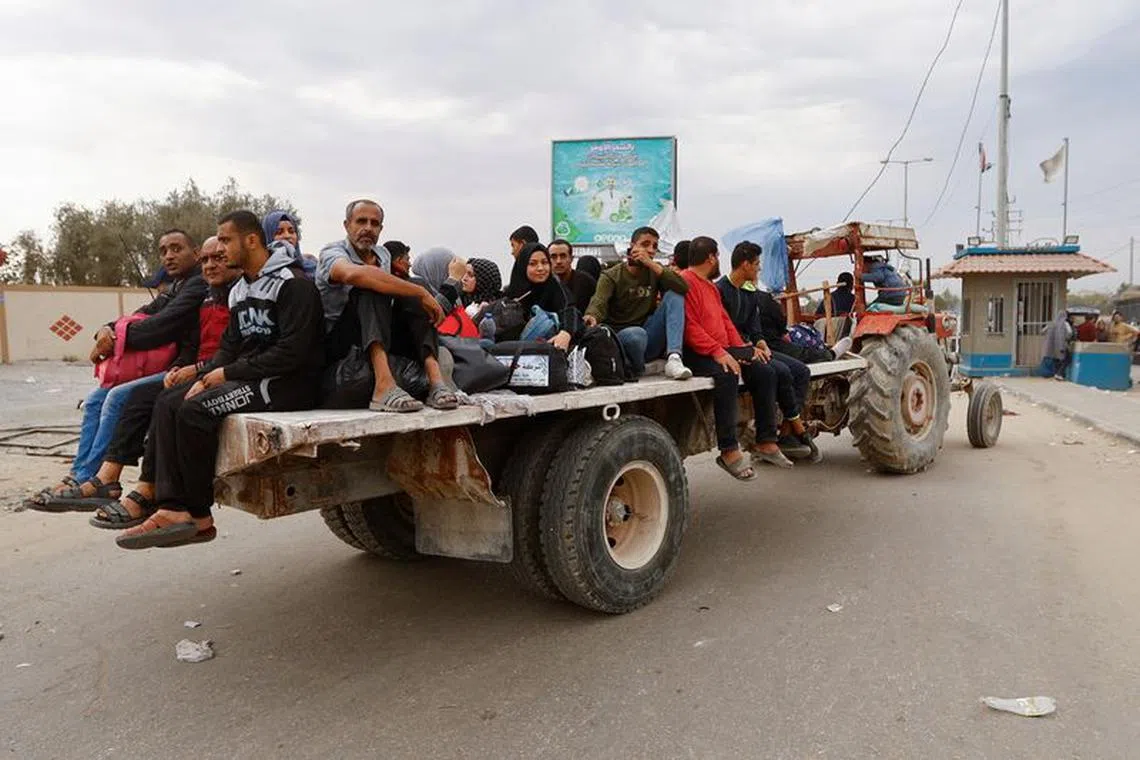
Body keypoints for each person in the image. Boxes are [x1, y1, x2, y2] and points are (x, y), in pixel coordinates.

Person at [115, 210, 325, 549]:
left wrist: (226, 374)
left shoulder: (293, 283)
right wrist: (203, 375)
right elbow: (230, 346)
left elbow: (292, 353)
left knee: (194, 411)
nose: (220, 249)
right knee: (168, 401)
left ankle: (198, 515)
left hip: (288, 384)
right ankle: (170, 504)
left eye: (226, 240)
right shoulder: (240, 289)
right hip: (252, 375)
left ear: (251, 240)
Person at [25, 229, 207, 511]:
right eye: (163, 251)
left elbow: (159, 327)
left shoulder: (197, 285)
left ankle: (101, 480)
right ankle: (80, 474)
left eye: (176, 248)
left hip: (186, 367)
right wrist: (106, 330)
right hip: (172, 366)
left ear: (195, 253)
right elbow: (140, 315)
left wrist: (114, 340)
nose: (169, 256)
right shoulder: (175, 287)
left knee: (118, 397)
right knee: (95, 399)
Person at [83, 237, 241, 527]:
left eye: (218, 258)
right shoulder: (205, 296)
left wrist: (198, 370)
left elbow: (235, 350)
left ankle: (158, 494)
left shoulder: (239, 295)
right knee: (138, 398)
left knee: (166, 403)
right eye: (206, 260)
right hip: (199, 369)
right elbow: (186, 339)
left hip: (225, 372)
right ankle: (108, 478)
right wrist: (180, 366)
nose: (210, 265)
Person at [317, 199, 456, 412]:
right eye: (361, 221)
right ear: (347, 225)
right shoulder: (332, 252)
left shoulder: (382, 254)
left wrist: (418, 292)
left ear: (381, 229)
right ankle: (383, 386)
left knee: (412, 286)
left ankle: (435, 379)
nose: (368, 228)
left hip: (376, 332)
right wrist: (421, 293)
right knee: (371, 286)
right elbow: (351, 274)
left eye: (374, 223)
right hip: (341, 343)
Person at [681, 237, 793, 479]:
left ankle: (766, 441)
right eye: (717, 256)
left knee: (764, 369)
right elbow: (689, 327)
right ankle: (728, 449)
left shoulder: (711, 287)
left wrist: (743, 349)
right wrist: (719, 352)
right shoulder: (686, 282)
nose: (718, 260)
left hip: (720, 349)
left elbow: (726, 323)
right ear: (711, 258)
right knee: (728, 372)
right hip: (697, 352)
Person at [717, 242, 819, 461]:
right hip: (734, 350)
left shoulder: (749, 291)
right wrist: (748, 349)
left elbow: (754, 326)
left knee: (801, 371)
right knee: (776, 371)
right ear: (745, 265)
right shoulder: (720, 290)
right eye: (756, 264)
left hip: (752, 348)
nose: (759, 268)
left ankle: (788, 431)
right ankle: (780, 434)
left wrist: (761, 342)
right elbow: (723, 329)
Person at [583, 226, 692, 380]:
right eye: (645, 244)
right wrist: (592, 315)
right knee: (636, 334)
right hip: (624, 339)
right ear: (632, 246)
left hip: (650, 335)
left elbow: (683, 287)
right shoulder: (612, 275)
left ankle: (674, 358)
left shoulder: (655, 271)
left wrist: (651, 264)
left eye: (654, 246)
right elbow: (599, 301)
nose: (651, 250)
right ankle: (638, 368)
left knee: (675, 295)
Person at [499, 243, 577, 350]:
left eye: (544, 262)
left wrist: (566, 332)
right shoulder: (511, 295)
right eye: (533, 264)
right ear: (523, 266)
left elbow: (569, 310)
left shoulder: (555, 288)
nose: (540, 268)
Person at [754, 280, 852, 364]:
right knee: (801, 356)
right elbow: (779, 321)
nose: (759, 269)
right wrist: (783, 333)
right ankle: (830, 354)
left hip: (762, 342)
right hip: (770, 344)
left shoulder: (758, 298)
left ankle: (824, 351)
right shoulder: (763, 298)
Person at [548, 238, 597, 314]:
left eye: (563, 256)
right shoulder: (544, 284)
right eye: (553, 257)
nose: (558, 261)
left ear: (571, 258)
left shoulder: (586, 282)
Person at [263, 210, 316, 278]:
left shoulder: (312, 268)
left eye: (291, 231)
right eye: (279, 232)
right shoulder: (261, 272)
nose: (287, 236)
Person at [412, 246, 466, 312]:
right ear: (434, 271)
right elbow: (436, 313)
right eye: (448, 271)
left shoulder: (457, 299)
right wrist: (453, 280)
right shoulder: (415, 298)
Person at [1041, 310, 1073, 379]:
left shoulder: (1051, 323)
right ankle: (1059, 374)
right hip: (1061, 345)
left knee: (1056, 359)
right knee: (1066, 359)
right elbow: (1070, 333)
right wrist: (1067, 338)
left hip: (1051, 346)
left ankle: (1056, 373)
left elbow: (1043, 331)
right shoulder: (1065, 324)